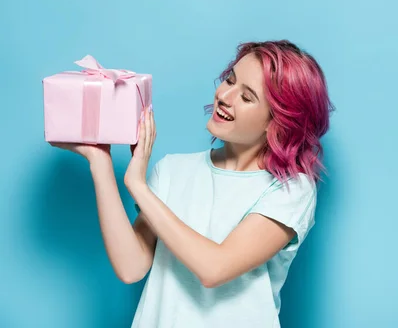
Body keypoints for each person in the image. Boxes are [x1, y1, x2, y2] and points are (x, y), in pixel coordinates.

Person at [50, 40, 335, 327]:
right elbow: (131, 267)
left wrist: (138, 186)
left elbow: (214, 268)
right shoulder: (173, 170)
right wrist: (100, 161)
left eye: (247, 97)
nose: (225, 96)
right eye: (230, 80)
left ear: (277, 123)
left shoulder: (289, 189)